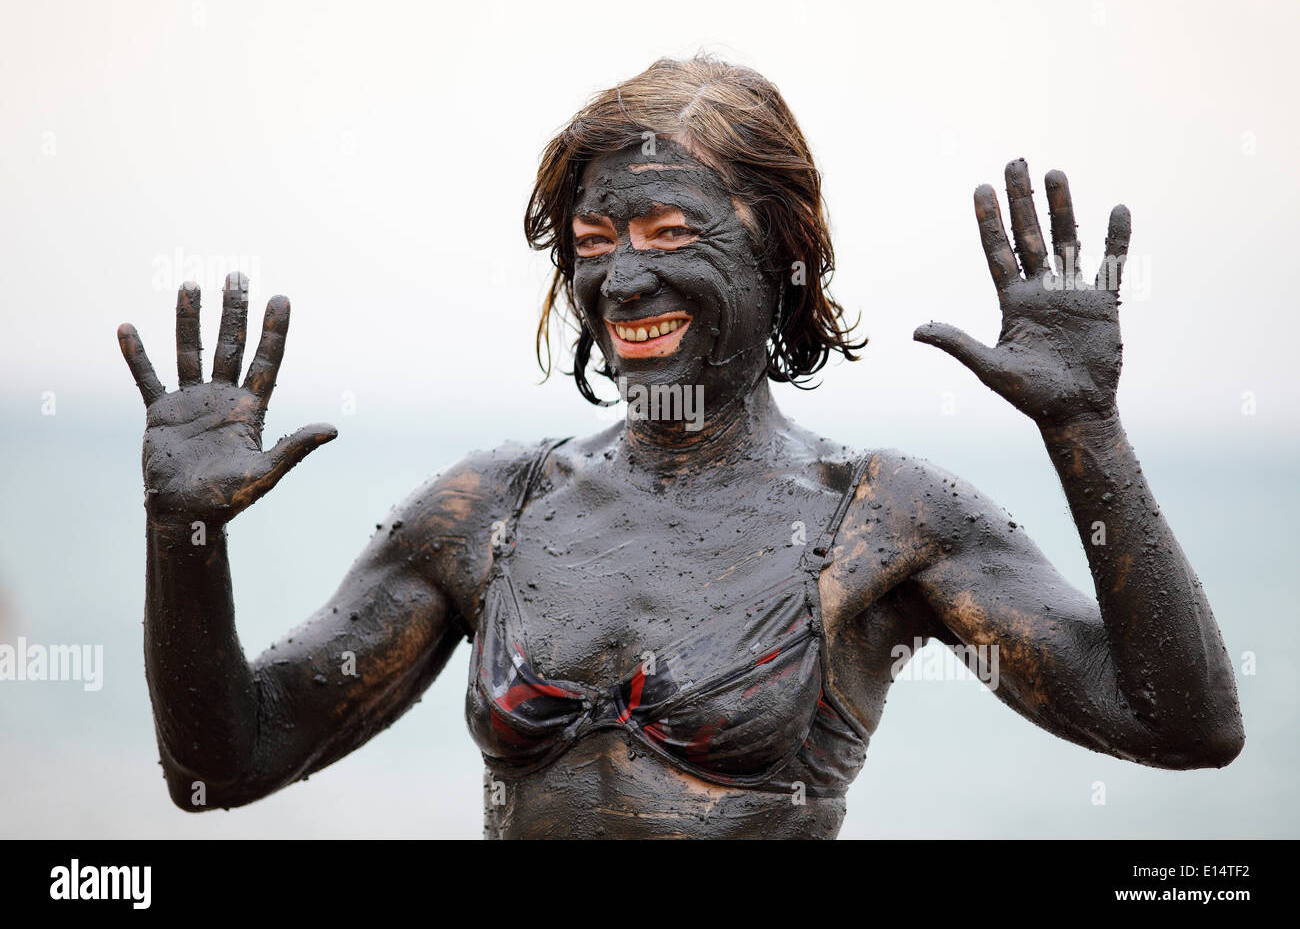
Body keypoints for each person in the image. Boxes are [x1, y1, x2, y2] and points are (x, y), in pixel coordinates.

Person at [116, 56, 1243, 839]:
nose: (622, 275)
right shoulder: (492, 512)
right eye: (595, 240)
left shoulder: (881, 520)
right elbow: (223, 766)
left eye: (669, 232)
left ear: (778, 254)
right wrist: (185, 533)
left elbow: (1183, 724)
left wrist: (1084, 431)